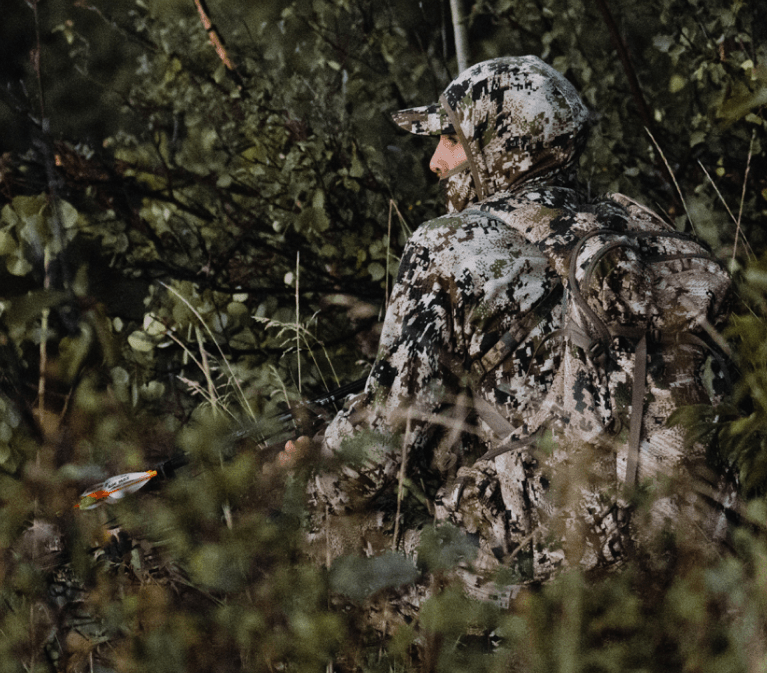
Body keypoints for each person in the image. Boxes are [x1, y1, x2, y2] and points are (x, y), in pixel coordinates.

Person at [306, 55, 732, 619]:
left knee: (330, 539)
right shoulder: (626, 227)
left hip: (571, 545)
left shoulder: (450, 246)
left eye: (453, 141)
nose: (435, 163)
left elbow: (381, 450)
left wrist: (312, 464)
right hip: (699, 527)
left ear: (500, 147)